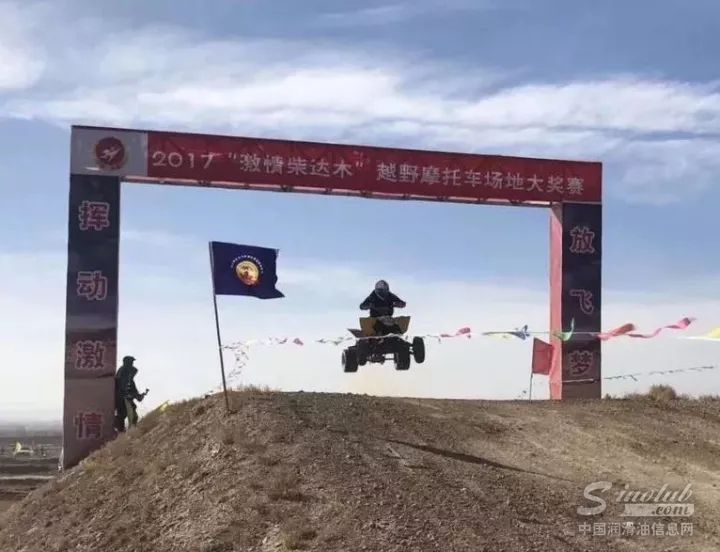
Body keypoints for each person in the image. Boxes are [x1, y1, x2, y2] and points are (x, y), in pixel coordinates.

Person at [114, 355, 148, 432]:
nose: (132, 364)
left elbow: (132, 389)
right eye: (131, 362)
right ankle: (123, 431)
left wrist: (138, 396)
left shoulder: (129, 378)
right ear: (126, 363)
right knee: (123, 415)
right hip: (121, 399)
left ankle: (129, 431)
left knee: (131, 415)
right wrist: (133, 395)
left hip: (125, 399)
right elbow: (122, 388)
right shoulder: (122, 373)